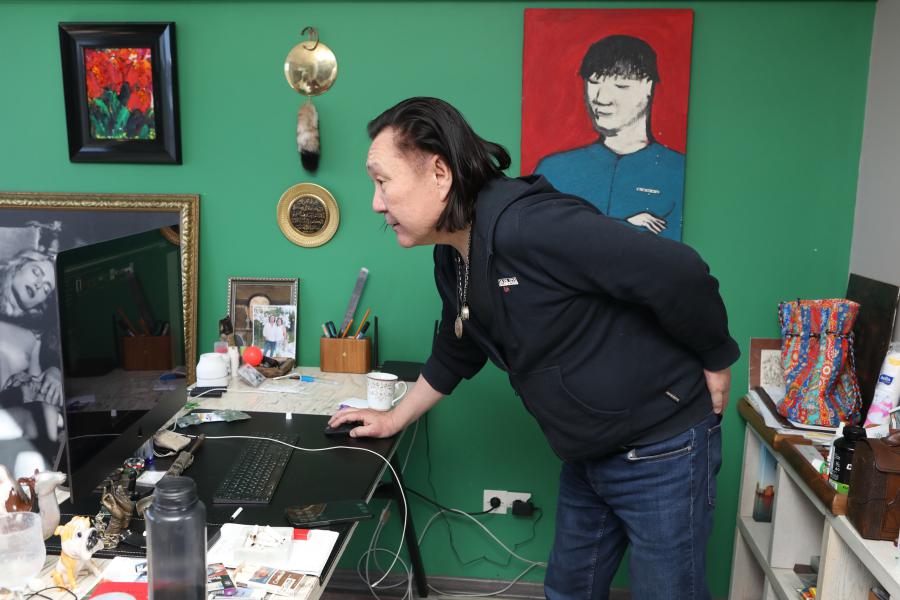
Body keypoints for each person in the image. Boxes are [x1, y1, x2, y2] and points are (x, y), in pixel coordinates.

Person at [328, 97, 739, 600]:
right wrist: (394, 419)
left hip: (662, 448)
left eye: (382, 181)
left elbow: (680, 272)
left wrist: (717, 357)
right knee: (567, 591)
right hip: (587, 452)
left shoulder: (532, 225)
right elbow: (458, 347)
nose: (376, 203)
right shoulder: (452, 255)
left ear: (439, 173)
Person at [534, 35, 685, 241]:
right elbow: (534, 237)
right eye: (594, 82)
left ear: (648, 86)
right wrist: (626, 225)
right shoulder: (553, 170)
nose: (601, 99)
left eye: (620, 85)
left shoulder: (678, 171)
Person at [0, 249, 57, 319]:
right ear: (19, 266)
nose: (38, 285)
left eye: (46, 289)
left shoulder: (33, 325)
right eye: (36, 272)